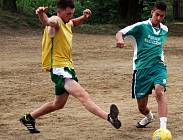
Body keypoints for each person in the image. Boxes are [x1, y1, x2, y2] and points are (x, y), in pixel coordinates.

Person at [20, 0, 121, 133]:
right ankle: (109, 118)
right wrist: (41, 14)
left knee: (58, 104)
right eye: (68, 14)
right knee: (83, 95)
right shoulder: (56, 20)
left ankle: (28, 118)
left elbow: (74, 22)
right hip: (59, 69)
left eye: (72, 13)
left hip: (67, 68)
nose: (70, 16)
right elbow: (48, 22)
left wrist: (84, 17)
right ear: (59, 11)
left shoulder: (67, 22)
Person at [116, 1, 168, 129]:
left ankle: (163, 128)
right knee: (142, 107)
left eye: (162, 16)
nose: (159, 18)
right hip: (141, 69)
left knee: (159, 91)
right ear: (152, 12)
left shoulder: (165, 29)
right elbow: (120, 32)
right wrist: (120, 40)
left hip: (158, 66)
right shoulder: (141, 26)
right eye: (157, 15)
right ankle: (149, 117)